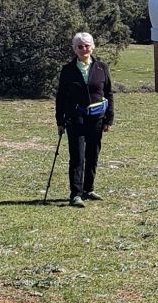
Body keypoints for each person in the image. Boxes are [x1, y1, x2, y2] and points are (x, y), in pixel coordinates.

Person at [54, 32, 114, 208]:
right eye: (79, 46)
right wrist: (60, 120)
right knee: (77, 156)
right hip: (75, 119)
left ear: (93, 47)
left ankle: (89, 189)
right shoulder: (68, 70)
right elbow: (61, 97)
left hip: (97, 119)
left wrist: (109, 118)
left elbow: (108, 93)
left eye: (87, 45)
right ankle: (76, 194)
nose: (84, 49)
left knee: (93, 154)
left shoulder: (102, 67)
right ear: (74, 49)